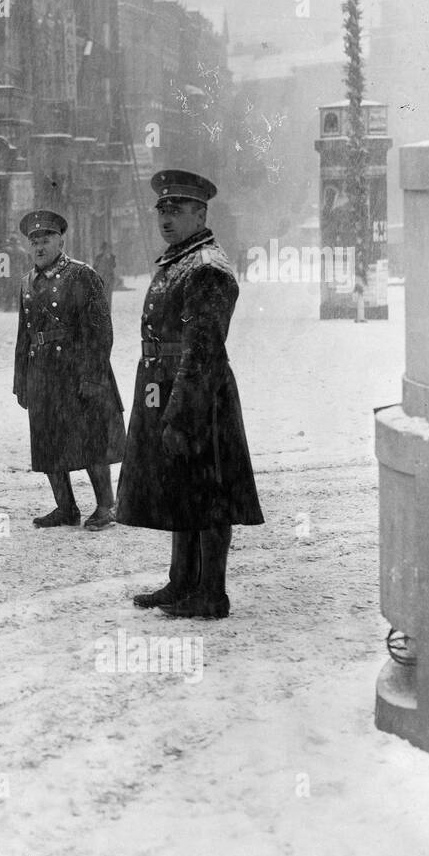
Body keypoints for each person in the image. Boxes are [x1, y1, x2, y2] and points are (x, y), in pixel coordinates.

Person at [115, 170, 264, 618]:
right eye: (162, 209)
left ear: (200, 214)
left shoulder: (206, 270)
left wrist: (180, 416)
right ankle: (182, 581)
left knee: (208, 492)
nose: (166, 217)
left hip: (200, 396)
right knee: (182, 486)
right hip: (167, 388)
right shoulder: (179, 261)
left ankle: (211, 593)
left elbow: (202, 352)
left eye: (177, 210)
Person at [14, 210, 125, 531]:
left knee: (90, 439)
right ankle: (66, 507)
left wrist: (93, 375)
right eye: (34, 241)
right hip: (42, 374)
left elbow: (101, 331)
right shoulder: (26, 282)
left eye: (45, 239)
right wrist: (21, 379)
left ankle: (106, 505)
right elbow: (24, 335)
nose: (39, 246)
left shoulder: (82, 275)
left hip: (78, 371)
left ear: (61, 240)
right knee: (47, 440)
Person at [93, 241, 118, 312]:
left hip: (109, 280)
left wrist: (109, 258)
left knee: (108, 298)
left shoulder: (112, 257)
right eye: (105, 248)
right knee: (101, 297)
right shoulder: (98, 258)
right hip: (100, 280)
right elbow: (94, 267)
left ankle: (107, 312)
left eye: (108, 248)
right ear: (103, 249)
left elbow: (113, 265)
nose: (107, 250)